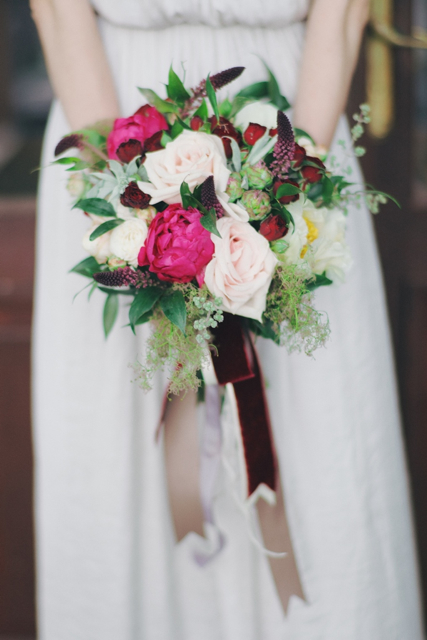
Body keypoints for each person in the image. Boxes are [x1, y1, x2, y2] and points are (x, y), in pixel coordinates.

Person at [30, 0, 425, 638]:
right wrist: (132, 212)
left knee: (319, 440)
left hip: (293, 118)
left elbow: (345, 11)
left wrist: (289, 200)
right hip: (108, 113)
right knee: (120, 455)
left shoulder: (295, 168)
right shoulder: (115, 170)